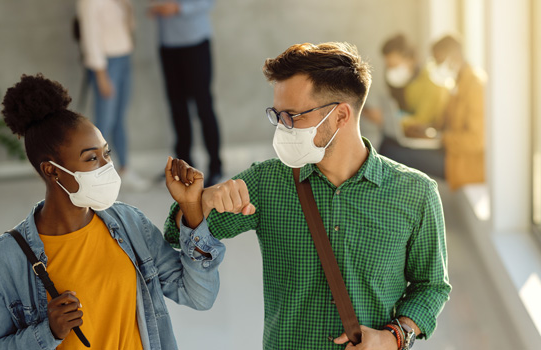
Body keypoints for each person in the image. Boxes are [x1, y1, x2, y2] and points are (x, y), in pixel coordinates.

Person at [164, 42, 451, 349]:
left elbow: (431, 286)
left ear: (340, 116)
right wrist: (200, 202)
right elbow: (175, 231)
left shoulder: (415, 193)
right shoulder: (266, 181)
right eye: (277, 116)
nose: (282, 128)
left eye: (293, 116)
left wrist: (393, 337)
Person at [0, 74, 225, 350]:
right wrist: (47, 332)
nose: (106, 166)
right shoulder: (2, 261)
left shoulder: (129, 224)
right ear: (52, 171)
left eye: (106, 154)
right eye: (91, 158)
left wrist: (191, 207)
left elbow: (200, 296)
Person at [148, 0, 223, 186]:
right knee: (177, 107)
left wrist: (179, 8)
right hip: (167, 45)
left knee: (203, 106)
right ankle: (183, 166)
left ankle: (216, 166)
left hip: (195, 42)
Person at [77, 0, 148, 190]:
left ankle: (124, 168)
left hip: (124, 56)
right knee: (103, 122)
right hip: (106, 63)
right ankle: (92, 175)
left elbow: (130, 25)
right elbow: (89, 35)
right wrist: (101, 74)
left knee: (118, 119)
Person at [377, 34, 449, 179]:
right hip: (422, 139)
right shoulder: (409, 83)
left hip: (439, 148)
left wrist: (390, 119)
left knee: (388, 152)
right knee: (387, 143)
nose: (391, 70)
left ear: (410, 59)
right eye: (388, 66)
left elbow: (421, 121)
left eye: (394, 66)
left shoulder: (431, 82)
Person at [432, 34, 486, 190]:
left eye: (439, 60)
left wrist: (442, 138)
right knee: (392, 145)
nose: (436, 66)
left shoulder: (476, 85)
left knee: (394, 153)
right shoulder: (456, 83)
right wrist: (430, 130)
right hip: (449, 153)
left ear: (454, 56)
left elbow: (477, 140)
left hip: (464, 163)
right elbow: (446, 124)